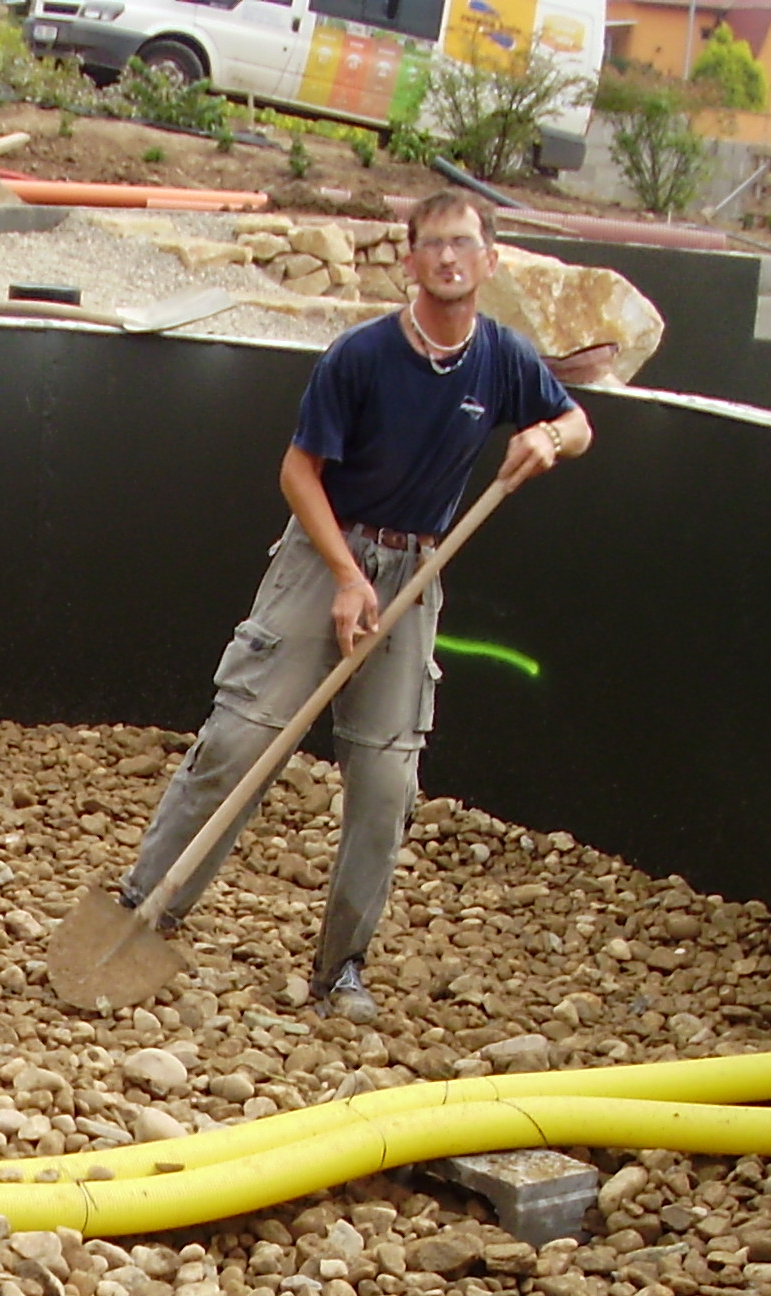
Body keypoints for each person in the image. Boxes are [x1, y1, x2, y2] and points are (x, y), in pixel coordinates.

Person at [109, 188, 592, 1021]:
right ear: (408, 261)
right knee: (240, 740)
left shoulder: (502, 359)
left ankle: (341, 969)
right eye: (432, 245)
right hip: (325, 552)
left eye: (463, 245)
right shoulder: (360, 357)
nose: (447, 258)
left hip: (415, 573)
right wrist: (344, 575)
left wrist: (551, 435)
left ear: (489, 261)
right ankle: (144, 911)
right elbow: (299, 475)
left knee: (384, 781)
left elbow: (578, 420)